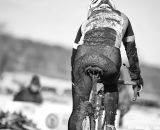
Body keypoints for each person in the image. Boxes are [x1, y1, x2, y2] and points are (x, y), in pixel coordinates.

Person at [68, 0, 143, 130]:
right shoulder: (123, 18)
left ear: (92, 8)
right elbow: (131, 52)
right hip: (109, 59)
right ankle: (110, 125)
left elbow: (74, 54)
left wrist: (76, 79)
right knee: (111, 85)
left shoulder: (86, 22)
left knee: (77, 110)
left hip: (82, 59)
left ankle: (78, 115)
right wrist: (136, 79)